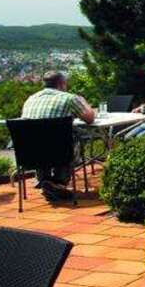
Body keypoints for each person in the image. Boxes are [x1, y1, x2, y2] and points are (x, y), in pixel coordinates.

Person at [20, 71, 96, 201]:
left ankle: (44, 180)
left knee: (41, 139)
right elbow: (90, 118)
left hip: (31, 152)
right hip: (60, 152)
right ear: (62, 84)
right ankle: (59, 183)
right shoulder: (69, 98)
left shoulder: (31, 98)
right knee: (71, 139)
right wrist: (84, 102)